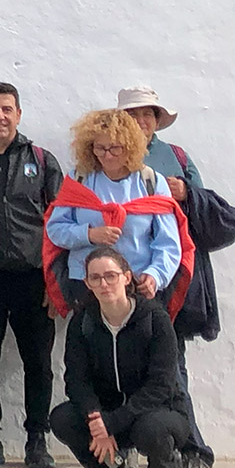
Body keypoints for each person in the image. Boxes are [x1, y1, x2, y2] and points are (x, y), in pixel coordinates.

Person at [117, 83, 221, 468]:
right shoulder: (103, 153)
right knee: (117, 368)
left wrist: (184, 193)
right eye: (135, 113)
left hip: (167, 282)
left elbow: (201, 204)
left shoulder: (174, 157)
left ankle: (194, 456)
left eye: (149, 114)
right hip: (116, 285)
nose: (142, 121)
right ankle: (121, 450)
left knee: (172, 371)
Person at [0, 81, 63, 468]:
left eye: (7, 109)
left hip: (33, 279)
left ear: (18, 114)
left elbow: (62, 221)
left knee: (38, 361)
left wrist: (56, 283)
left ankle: (38, 440)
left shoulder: (41, 159)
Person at [49, 245, 192, 468]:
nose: (104, 283)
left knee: (152, 428)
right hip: (107, 413)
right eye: (95, 277)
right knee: (62, 418)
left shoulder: (155, 320)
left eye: (111, 275)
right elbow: (76, 380)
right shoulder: (83, 323)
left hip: (156, 413)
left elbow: (161, 385)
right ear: (87, 283)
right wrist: (96, 419)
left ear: (127, 277)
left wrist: (111, 422)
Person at [44, 109, 186, 317]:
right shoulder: (79, 179)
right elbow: (55, 230)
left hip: (137, 283)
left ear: (130, 147)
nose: (106, 155)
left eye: (114, 148)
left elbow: (168, 242)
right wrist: (89, 235)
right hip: (88, 285)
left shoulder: (152, 182)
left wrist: (155, 275)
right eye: (99, 148)